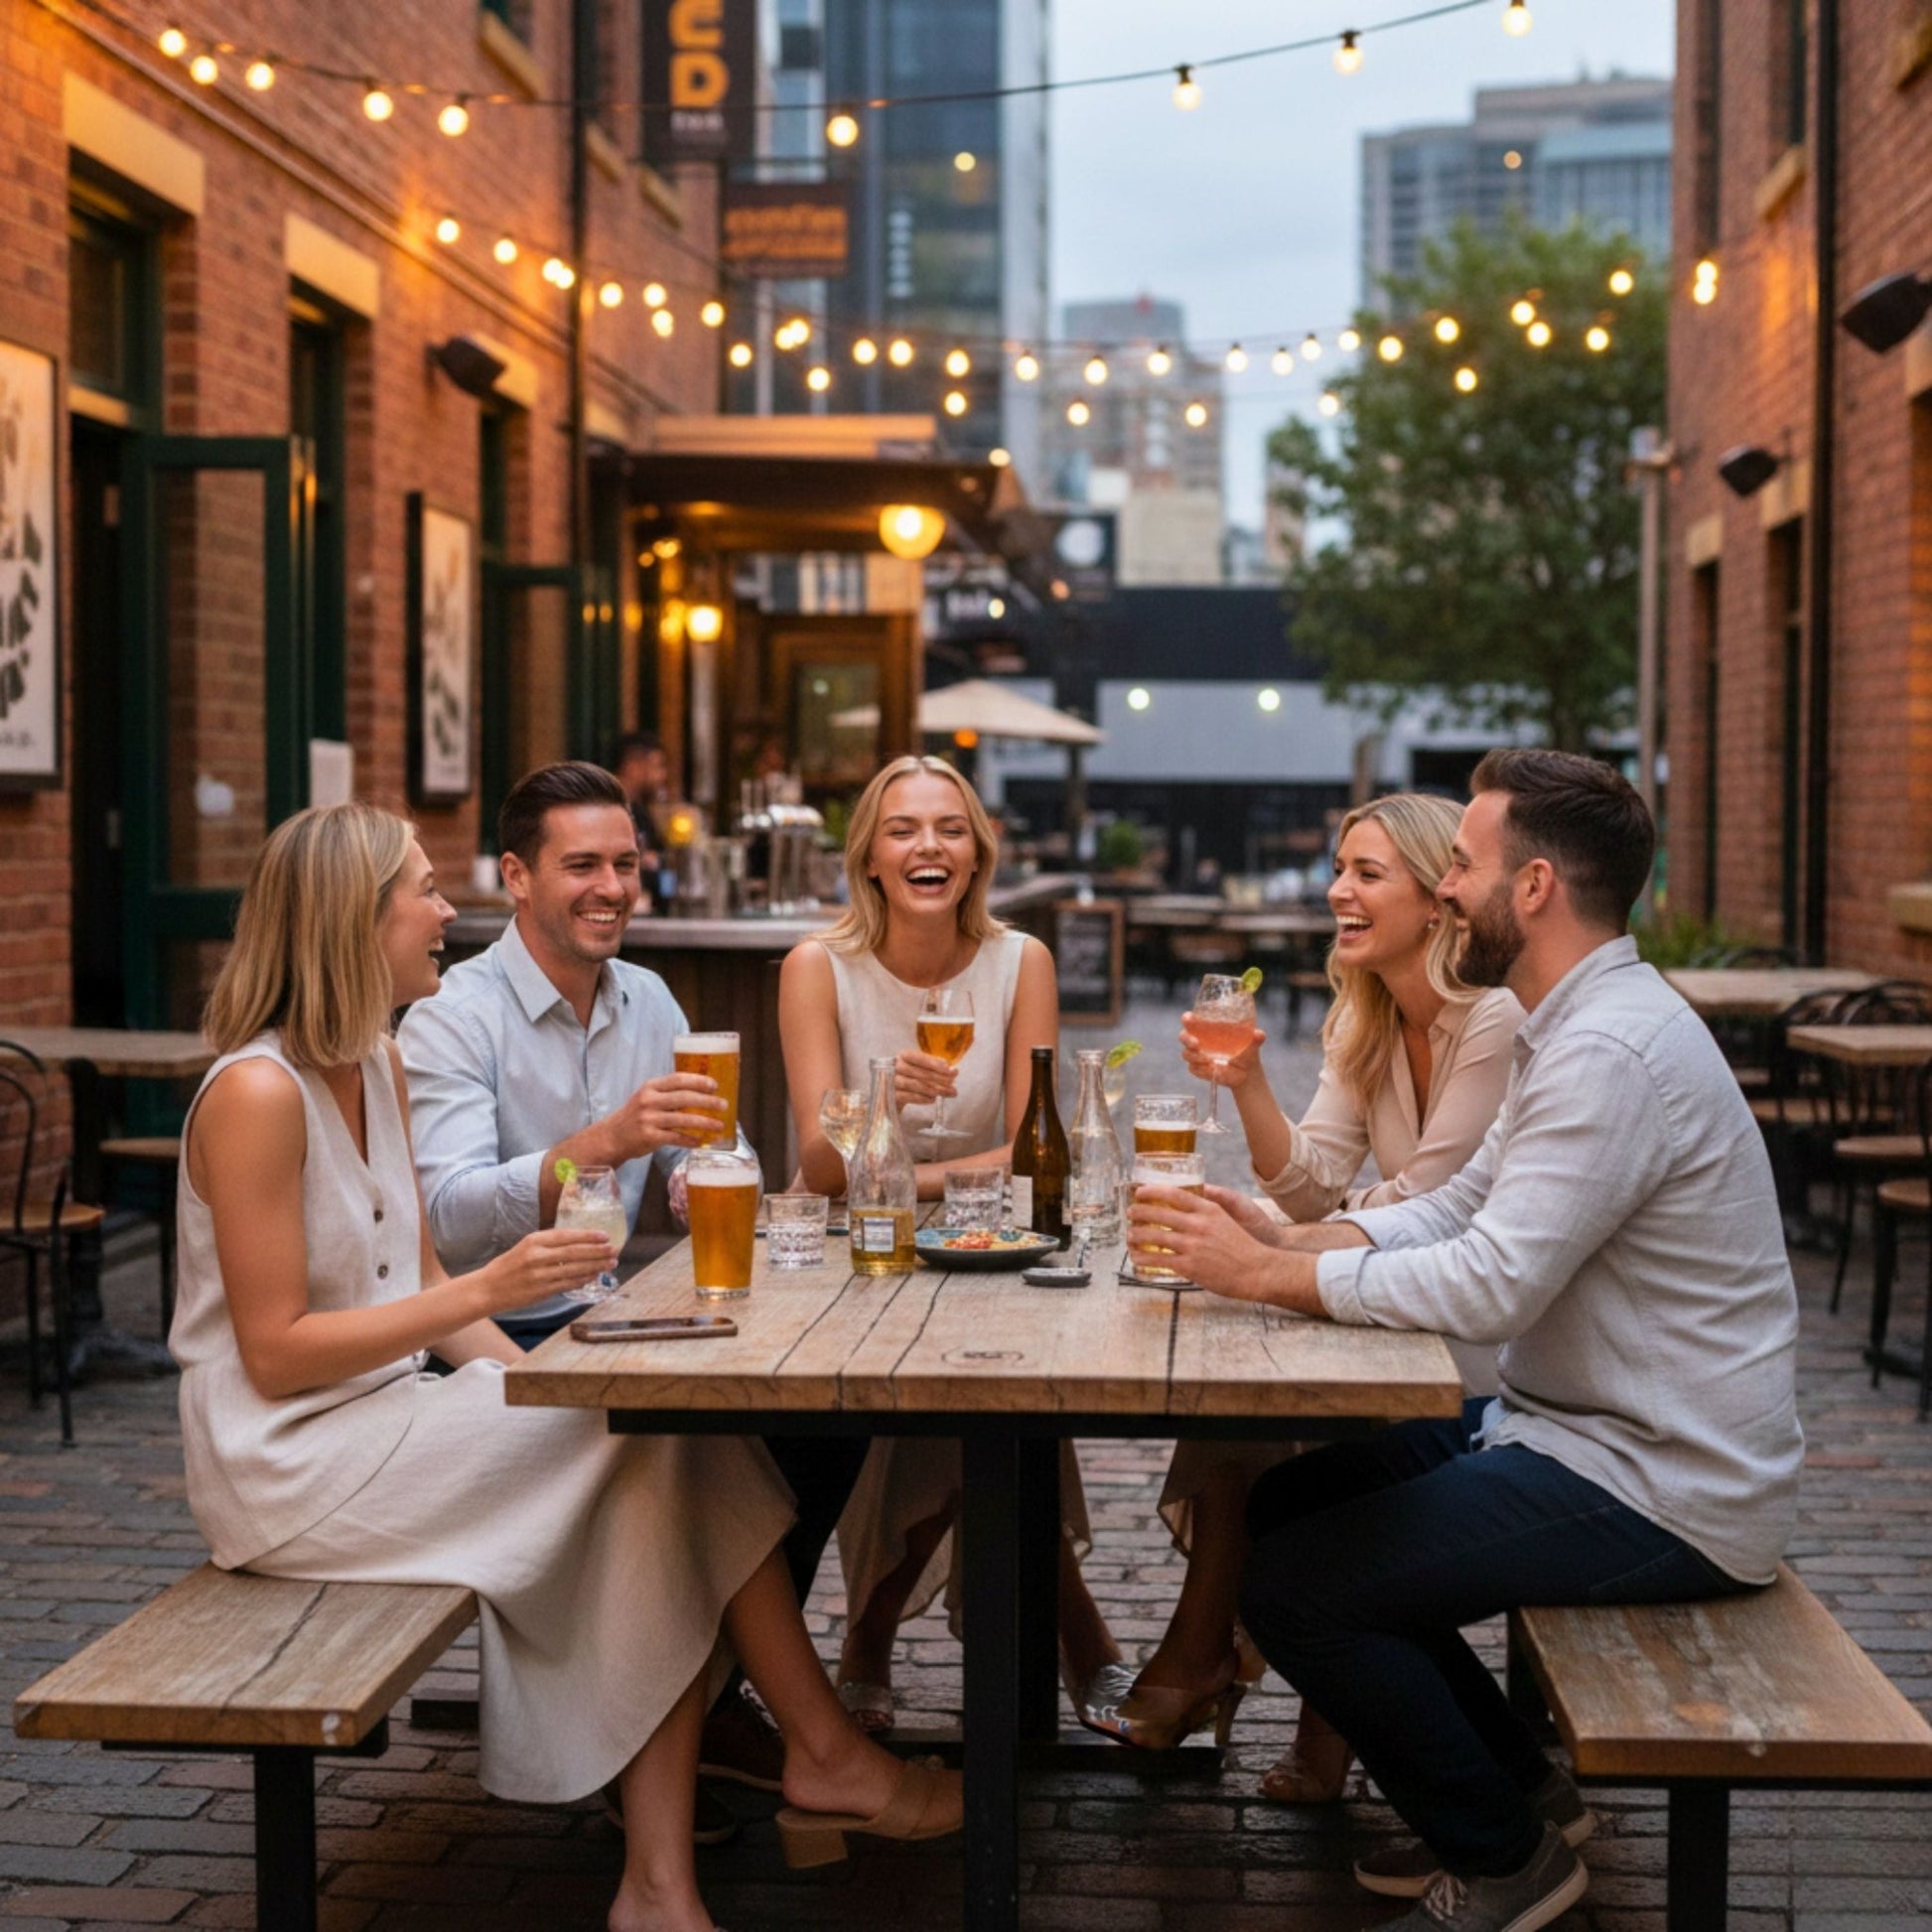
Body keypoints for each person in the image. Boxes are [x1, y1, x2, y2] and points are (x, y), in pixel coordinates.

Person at [174, 802, 959, 1932]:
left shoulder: (373, 1061)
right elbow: (276, 1349)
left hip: (385, 1416)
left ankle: (662, 1881)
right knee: (650, 1450)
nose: (445, 911)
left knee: (657, 1441)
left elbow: (417, 1284)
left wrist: (539, 1382)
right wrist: (494, 1295)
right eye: (421, 890)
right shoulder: (257, 1092)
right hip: (286, 1462)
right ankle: (815, 1754)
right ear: (351, 917)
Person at [1129, 750, 1803, 1932]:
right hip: (1570, 1429)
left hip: (1666, 1478)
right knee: (1285, 1510)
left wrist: (1277, 1274)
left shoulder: (1604, 1051)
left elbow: (1490, 1281)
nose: (1445, 891)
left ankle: (1506, 1860)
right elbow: (1452, 1208)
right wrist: (1276, 1229)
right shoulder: (1571, 1023)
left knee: (1300, 1587)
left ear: (1532, 886)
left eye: (1464, 868)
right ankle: (1519, 1792)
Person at [398, 762, 867, 1810]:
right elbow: (445, 1218)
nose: (611, 885)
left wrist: (767, 1187)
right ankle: (734, 1729)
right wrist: (594, 1146)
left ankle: (698, 1695)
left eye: (624, 863)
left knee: (828, 1424)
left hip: (606, 1318)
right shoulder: (451, 1017)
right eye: (581, 865)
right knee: (700, 1447)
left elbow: (711, 1159)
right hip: (479, 1336)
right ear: (516, 875)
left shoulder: (647, 997)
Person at [1089, 795, 1523, 1812]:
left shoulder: (1492, 1021)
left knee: (1269, 1436)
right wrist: (1244, 1085)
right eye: (1338, 866)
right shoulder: (1364, 1008)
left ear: (1436, 895)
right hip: (1383, 1294)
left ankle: (1205, 1664)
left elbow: (1432, 1205)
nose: (1338, 888)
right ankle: (1259, 1694)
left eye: (1367, 871)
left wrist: (1281, 1242)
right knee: (1247, 1415)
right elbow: (1315, 1178)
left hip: (1472, 1335)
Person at [777, 754, 1127, 1733]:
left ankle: (870, 1630)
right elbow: (816, 1165)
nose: (926, 845)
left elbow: (1029, 1152)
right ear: (870, 859)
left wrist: (886, 1164)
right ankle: (1081, 1639)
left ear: (976, 855)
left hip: (993, 1244)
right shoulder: (818, 969)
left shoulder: (1021, 962)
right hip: (863, 1259)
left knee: (984, 1384)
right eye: (901, 829)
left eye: (947, 828)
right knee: (959, 1403)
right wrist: (877, 1099)